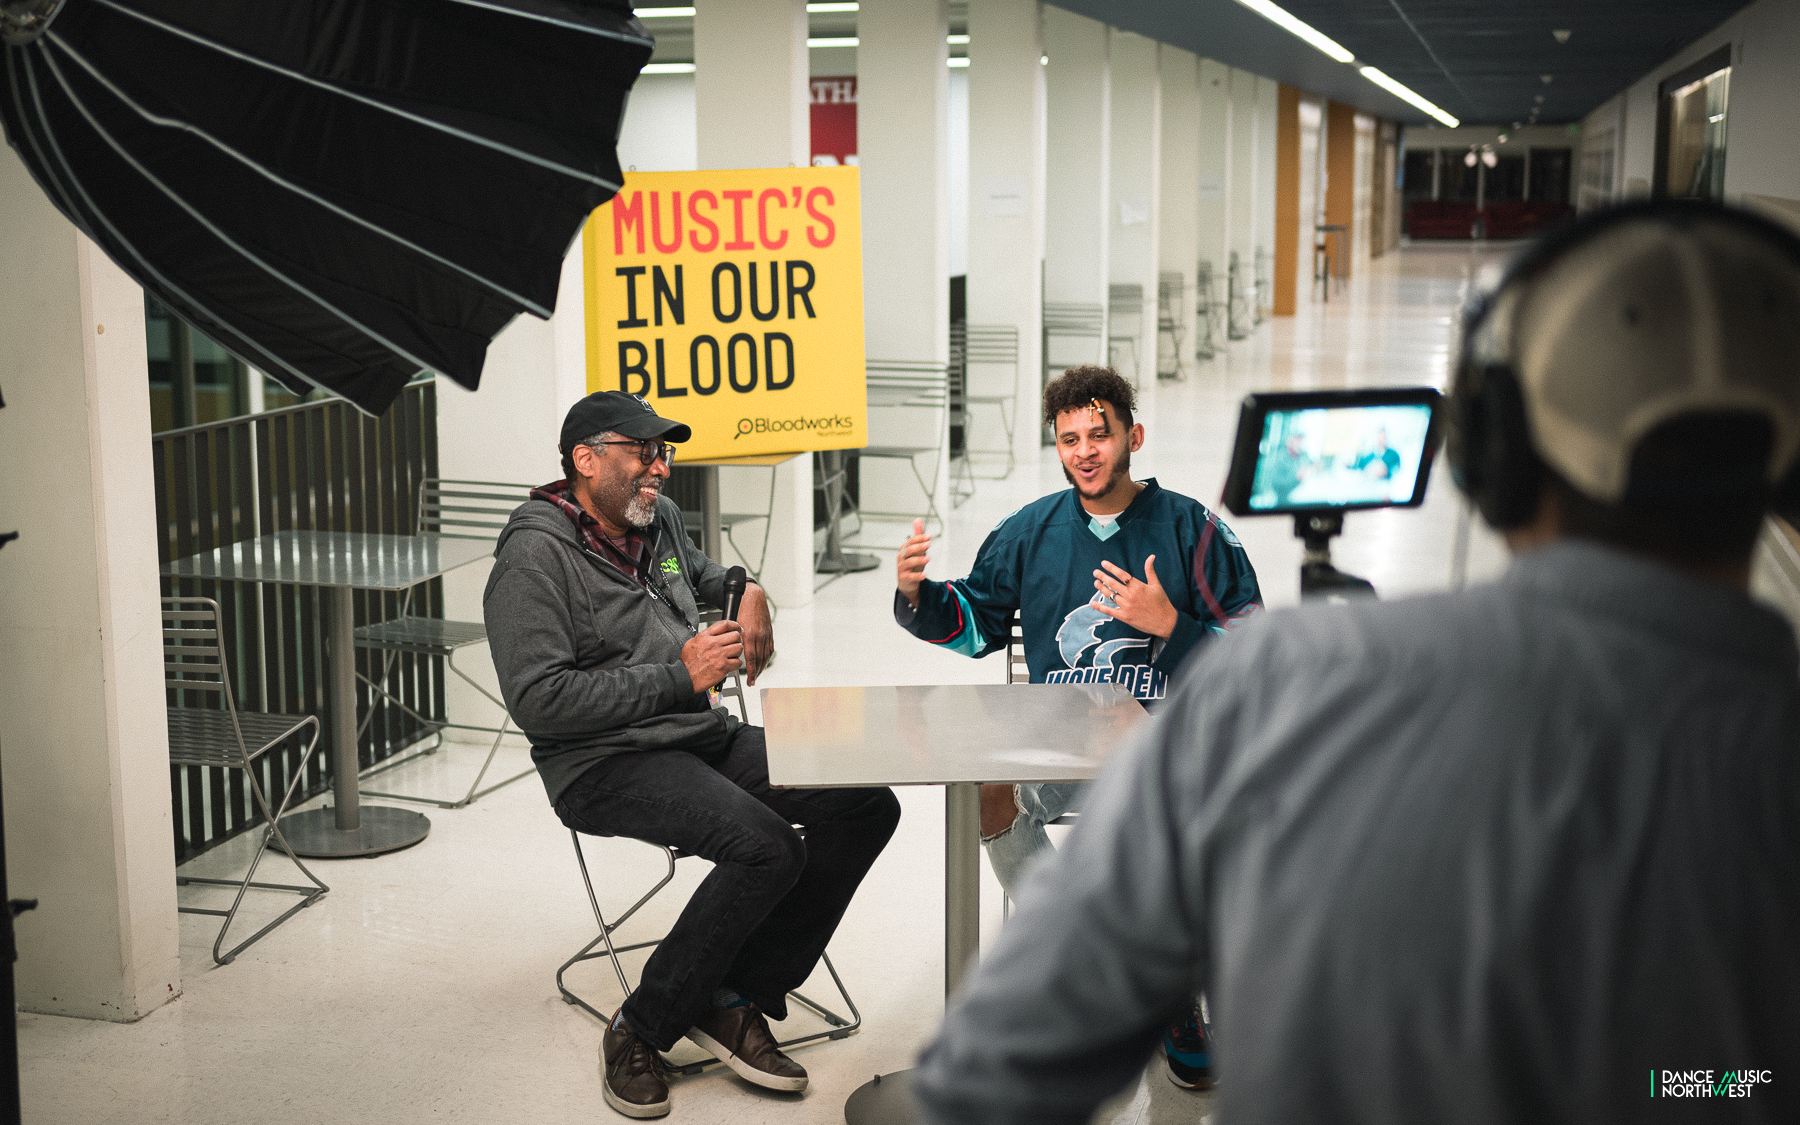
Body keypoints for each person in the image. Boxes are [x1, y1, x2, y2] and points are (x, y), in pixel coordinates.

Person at [912, 201, 1800, 1125]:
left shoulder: (1296, 684)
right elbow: (1740, 1082)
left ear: (1493, 457)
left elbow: (1001, 1071)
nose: (1084, 450)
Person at [483, 391, 901, 1120]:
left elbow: (708, 576)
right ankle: (640, 1026)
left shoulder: (656, 521)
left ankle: (734, 991)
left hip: (697, 736)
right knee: (766, 846)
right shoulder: (533, 558)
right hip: (602, 763)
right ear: (586, 460)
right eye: (643, 451)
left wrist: (750, 590)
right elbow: (540, 701)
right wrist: (682, 675)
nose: (660, 467)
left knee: (865, 799)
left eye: (664, 452)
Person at [894, 365, 1261, 1089]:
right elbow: (976, 625)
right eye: (1069, 439)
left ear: (1133, 436)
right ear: (1056, 446)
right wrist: (918, 594)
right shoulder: (1028, 532)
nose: (1085, 450)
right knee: (990, 790)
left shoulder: (1194, 530)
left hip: (1166, 750)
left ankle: (1171, 997)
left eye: (1100, 433)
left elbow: (1255, 655)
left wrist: (1172, 627)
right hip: (1059, 747)